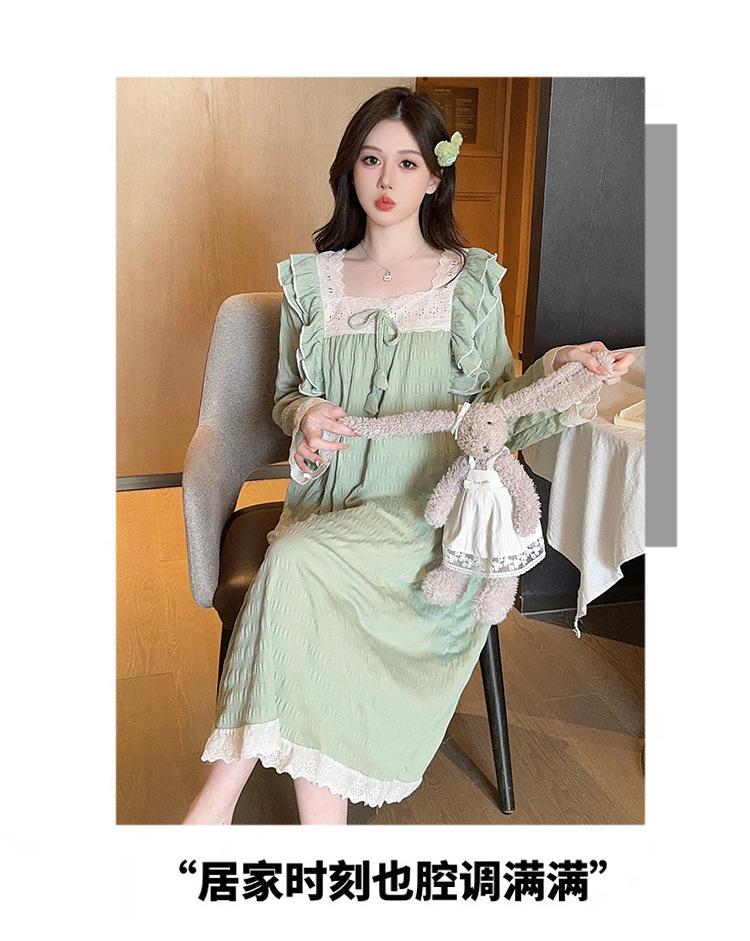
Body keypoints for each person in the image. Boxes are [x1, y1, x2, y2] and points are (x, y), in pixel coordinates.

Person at [182, 86, 635, 825]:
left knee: (294, 566)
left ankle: (213, 803)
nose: (386, 180)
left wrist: (562, 367)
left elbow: (498, 411)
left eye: (407, 162)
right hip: (333, 503)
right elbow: (289, 394)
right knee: (303, 564)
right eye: (371, 160)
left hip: (431, 513)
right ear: (349, 170)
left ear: (434, 177)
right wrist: (306, 417)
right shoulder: (311, 283)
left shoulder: (470, 284)